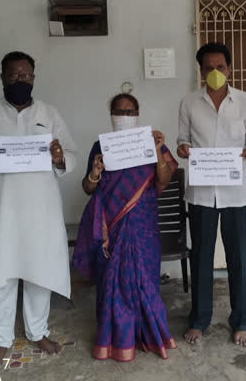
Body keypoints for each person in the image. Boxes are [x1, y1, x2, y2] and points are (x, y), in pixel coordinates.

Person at [0, 51, 77, 363]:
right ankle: (1, 337)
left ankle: (37, 331)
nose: (20, 80)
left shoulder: (49, 113)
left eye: (26, 75)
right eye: (13, 75)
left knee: (39, 270)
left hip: (41, 211)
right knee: (1, 271)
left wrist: (58, 157)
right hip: (1, 211)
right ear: (2, 77)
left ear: (34, 78)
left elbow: (70, 154)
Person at [72, 93, 178, 361]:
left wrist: (156, 152)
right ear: (111, 115)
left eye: (130, 112)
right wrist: (95, 173)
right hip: (112, 226)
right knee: (112, 283)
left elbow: (164, 178)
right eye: (120, 112)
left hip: (143, 226)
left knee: (146, 282)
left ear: (138, 115)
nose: (125, 116)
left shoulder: (151, 142)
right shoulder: (101, 145)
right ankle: (115, 341)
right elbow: (88, 188)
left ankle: (149, 336)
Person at [178, 42, 246, 347]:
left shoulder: (245, 101)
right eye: (208, 68)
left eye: (220, 67)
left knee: (237, 258)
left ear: (230, 68)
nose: (215, 72)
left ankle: (241, 320)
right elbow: (182, 140)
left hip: (235, 193)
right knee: (201, 257)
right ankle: (200, 319)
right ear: (201, 71)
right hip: (201, 193)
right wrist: (182, 148)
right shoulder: (189, 103)